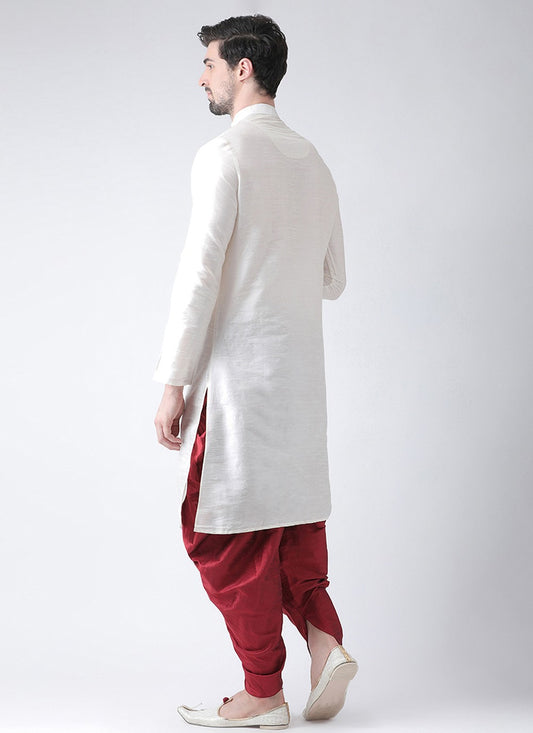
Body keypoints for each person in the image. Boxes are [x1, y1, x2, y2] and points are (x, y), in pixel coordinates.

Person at [153, 14, 358, 729]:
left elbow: (199, 276)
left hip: (241, 379)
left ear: (243, 68)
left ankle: (262, 691)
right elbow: (333, 278)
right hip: (301, 381)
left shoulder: (224, 155)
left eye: (210, 63)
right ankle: (326, 642)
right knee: (290, 526)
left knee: (221, 536)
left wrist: (174, 382)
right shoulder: (313, 160)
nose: (202, 77)